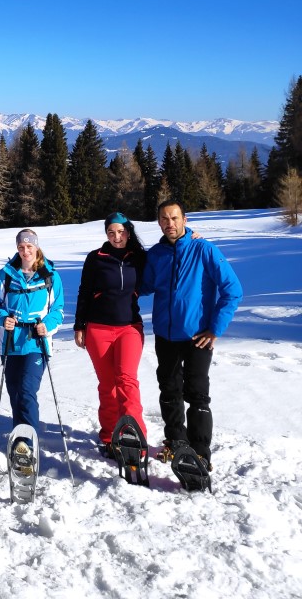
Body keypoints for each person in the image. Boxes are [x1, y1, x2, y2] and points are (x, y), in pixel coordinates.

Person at [140, 199, 243, 467]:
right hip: (165, 335)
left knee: (196, 394)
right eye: (164, 219)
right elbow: (144, 285)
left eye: (174, 218)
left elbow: (233, 290)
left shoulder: (204, 249)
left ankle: (199, 453)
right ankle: (176, 443)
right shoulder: (156, 254)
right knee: (169, 391)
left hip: (198, 337)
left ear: (185, 220)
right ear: (159, 222)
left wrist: (215, 329)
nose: (169, 223)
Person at [74, 213, 147, 456]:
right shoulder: (96, 258)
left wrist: (190, 236)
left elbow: (168, 255)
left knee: (127, 381)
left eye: (121, 232)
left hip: (129, 328)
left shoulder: (139, 258)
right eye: (111, 232)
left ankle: (135, 436)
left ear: (129, 231)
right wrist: (79, 325)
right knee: (108, 386)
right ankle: (109, 436)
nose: (117, 237)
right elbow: (84, 291)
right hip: (98, 329)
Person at [0, 229, 64, 468]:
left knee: (27, 390)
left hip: (36, 341)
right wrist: (3, 319)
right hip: (11, 343)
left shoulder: (50, 275)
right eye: (21, 247)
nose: (25, 251)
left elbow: (58, 310)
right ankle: (19, 437)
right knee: (15, 392)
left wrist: (47, 325)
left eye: (29, 246)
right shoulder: (7, 274)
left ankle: (27, 446)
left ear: (37, 247)